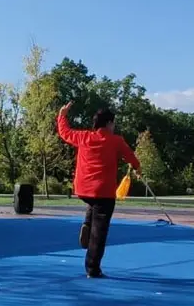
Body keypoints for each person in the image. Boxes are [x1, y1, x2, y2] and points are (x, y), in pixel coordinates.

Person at [57, 102, 141, 278]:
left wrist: (62, 115)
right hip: (103, 192)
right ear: (109, 123)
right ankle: (92, 269)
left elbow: (65, 133)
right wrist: (137, 168)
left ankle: (87, 222)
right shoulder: (116, 141)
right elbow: (130, 157)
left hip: (83, 189)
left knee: (91, 204)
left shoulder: (83, 137)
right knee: (99, 233)